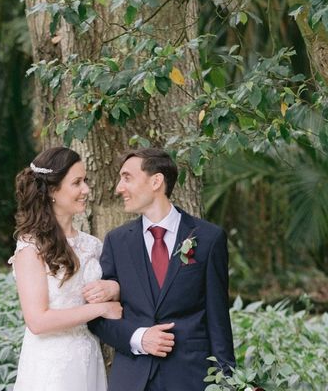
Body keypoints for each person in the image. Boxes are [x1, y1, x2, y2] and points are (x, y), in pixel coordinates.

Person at [87, 148, 235, 391]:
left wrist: (226, 382)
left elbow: (218, 320)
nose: (118, 188)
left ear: (156, 181)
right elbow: (97, 319)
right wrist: (139, 338)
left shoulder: (209, 238)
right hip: (132, 380)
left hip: (192, 378)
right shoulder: (117, 241)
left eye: (127, 178)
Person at [9, 147, 122, 391]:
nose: (86, 190)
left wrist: (112, 289)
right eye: (77, 183)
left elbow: (118, 291)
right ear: (52, 190)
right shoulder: (30, 249)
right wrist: (100, 309)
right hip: (51, 364)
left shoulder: (92, 245)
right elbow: (37, 320)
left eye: (86, 181)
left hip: (89, 357)